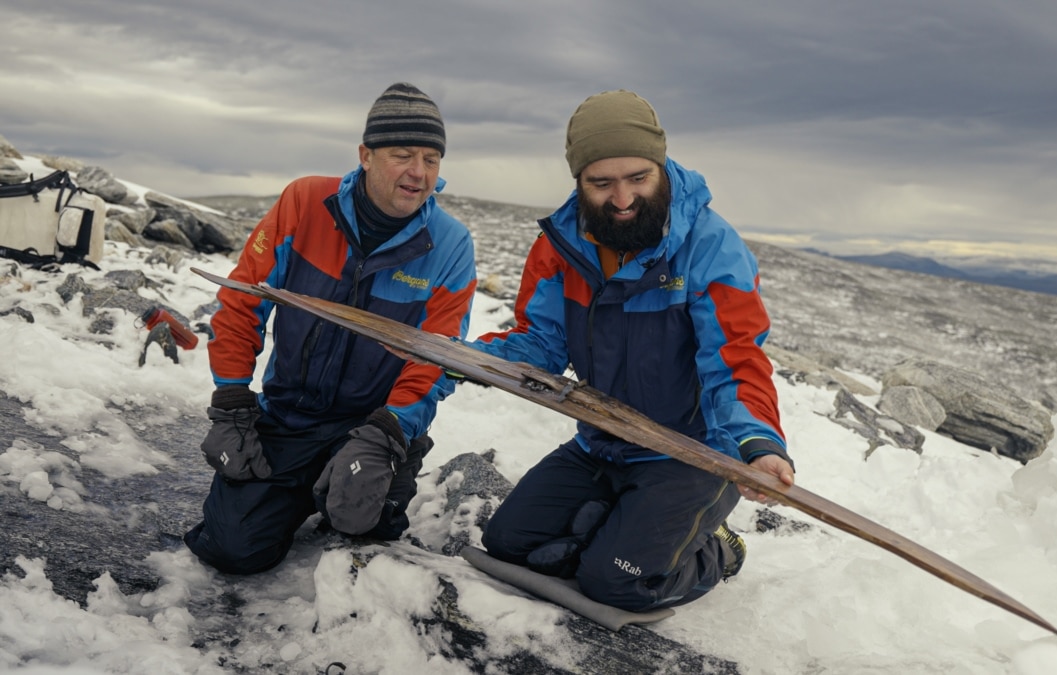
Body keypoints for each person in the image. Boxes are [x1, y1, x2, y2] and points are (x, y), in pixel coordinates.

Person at [470, 90, 793, 611]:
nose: (622, 199)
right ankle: (623, 525)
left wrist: (757, 441)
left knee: (616, 585)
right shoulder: (562, 246)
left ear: (661, 169)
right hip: (603, 444)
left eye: (638, 178)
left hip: (693, 456)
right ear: (578, 182)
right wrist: (469, 358)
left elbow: (735, 357)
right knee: (509, 544)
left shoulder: (710, 247)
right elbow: (543, 343)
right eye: (601, 183)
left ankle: (717, 551)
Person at [184, 83, 477, 575]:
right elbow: (242, 301)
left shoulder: (448, 245)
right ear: (365, 155)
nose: (418, 173)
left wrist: (389, 431)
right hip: (289, 416)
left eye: (431, 159)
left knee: (362, 526)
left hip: (370, 424)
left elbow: (439, 357)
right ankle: (303, 486)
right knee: (233, 549)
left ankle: (388, 467)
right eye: (403, 155)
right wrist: (231, 403)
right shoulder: (304, 203)